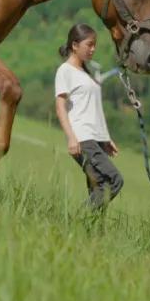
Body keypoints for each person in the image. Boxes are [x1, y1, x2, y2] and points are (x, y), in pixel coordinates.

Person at [54, 22, 123, 209]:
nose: (93, 49)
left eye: (94, 45)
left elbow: (94, 109)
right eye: (89, 44)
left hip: (95, 139)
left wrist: (106, 138)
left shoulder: (86, 73)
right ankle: (78, 220)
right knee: (114, 180)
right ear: (75, 46)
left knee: (98, 187)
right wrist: (71, 138)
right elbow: (60, 106)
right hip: (82, 139)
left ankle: (91, 233)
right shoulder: (65, 71)